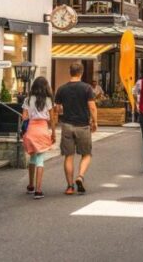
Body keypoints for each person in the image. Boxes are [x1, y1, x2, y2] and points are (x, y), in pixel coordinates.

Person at [54, 63, 97, 195]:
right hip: (83, 126)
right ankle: (80, 177)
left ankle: (70, 186)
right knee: (87, 154)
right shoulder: (87, 88)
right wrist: (95, 122)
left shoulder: (61, 89)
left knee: (68, 156)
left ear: (70, 72)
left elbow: (57, 109)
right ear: (81, 73)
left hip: (67, 125)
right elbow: (92, 107)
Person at [22, 77, 56, 199]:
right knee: (40, 160)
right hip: (42, 129)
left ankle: (31, 185)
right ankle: (38, 190)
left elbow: (24, 117)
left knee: (32, 157)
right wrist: (53, 133)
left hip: (31, 129)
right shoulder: (48, 100)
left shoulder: (27, 99)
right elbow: (52, 119)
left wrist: (30, 115)